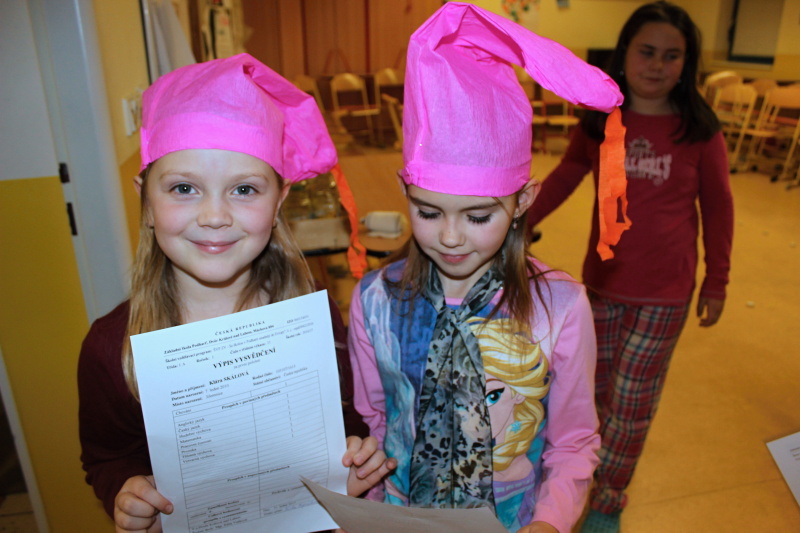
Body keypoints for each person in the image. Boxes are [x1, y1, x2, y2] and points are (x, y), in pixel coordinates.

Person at [78, 54, 395, 533]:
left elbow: (341, 414)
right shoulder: (111, 347)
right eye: (184, 188)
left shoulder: (312, 316)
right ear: (145, 199)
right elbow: (108, 456)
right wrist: (128, 493)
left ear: (279, 201)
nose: (214, 216)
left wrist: (351, 452)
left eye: (244, 190)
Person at [347, 4, 627, 532]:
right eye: (428, 212)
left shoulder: (561, 307)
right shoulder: (374, 301)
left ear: (522, 202)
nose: (451, 237)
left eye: (478, 216)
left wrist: (551, 521)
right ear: (405, 190)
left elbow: (572, 442)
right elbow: (378, 418)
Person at [526, 2, 734, 531]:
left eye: (672, 56)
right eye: (647, 52)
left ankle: (608, 500)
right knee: (588, 397)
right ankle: (575, 480)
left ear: (687, 63)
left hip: (664, 295)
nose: (658, 65)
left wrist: (717, 280)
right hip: (602, 285)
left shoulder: (699, 131)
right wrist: (520, 222)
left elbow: (719, 208)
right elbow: (568, 173)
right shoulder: (601, 120)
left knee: (632, 404)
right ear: (624, 54)